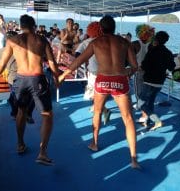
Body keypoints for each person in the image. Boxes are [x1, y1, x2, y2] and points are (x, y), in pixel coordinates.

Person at [59, 15, 140, 169]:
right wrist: (128, 72)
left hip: (102, 80)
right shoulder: (125, 42)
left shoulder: (96, 42)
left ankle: (95, 143)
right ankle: (134, 159)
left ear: (101, 29)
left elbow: (79, 60)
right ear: (114, 27)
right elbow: (135, 66)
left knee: (97, 112)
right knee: (128, 119)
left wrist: (63, 75)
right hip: (119, 80)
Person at [0, 14, 61, 166]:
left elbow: (2, 63)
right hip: (37, 79)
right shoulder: (42, 40)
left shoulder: (13, 40)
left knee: (21, 111)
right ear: (34, 26)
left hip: (20, 80)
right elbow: (52, 64)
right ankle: (42, 153)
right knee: (47, 115)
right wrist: (57, 77)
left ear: (21, 27)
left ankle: (20, 144)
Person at [0, 31, 35, 123]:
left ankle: (17, 113)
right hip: (23, 78)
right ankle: (26, 114)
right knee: (29, 97)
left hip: (15, 79)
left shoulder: (3, 50)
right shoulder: (24, 49)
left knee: (14, 98)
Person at [136, 31, 176, 130]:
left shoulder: (152, 51)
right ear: (166, 41)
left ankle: (156, 120)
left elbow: (144, 65)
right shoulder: (169, 53)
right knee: (150, 102)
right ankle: (148, 121)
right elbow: (172, 67)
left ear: (156, 39)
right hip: (159, 83)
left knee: (140, 103)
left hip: (149, 81)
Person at [75, 21, 111, 124]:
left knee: (92, 94)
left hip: (93, 72)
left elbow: (78, 55)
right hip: (106, 72)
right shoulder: (106, 41)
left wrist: (85, 61)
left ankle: (104, 110)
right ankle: (98, 107)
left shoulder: (87, 42)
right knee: (100, 92)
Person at [131, 24, 155, 110]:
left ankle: (140, 105)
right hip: (149, 71)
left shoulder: (135, 44)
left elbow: (130, 59)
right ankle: (144, 105)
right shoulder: (152, 45)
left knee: (138, 90)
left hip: (138, 70)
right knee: (147, 90)